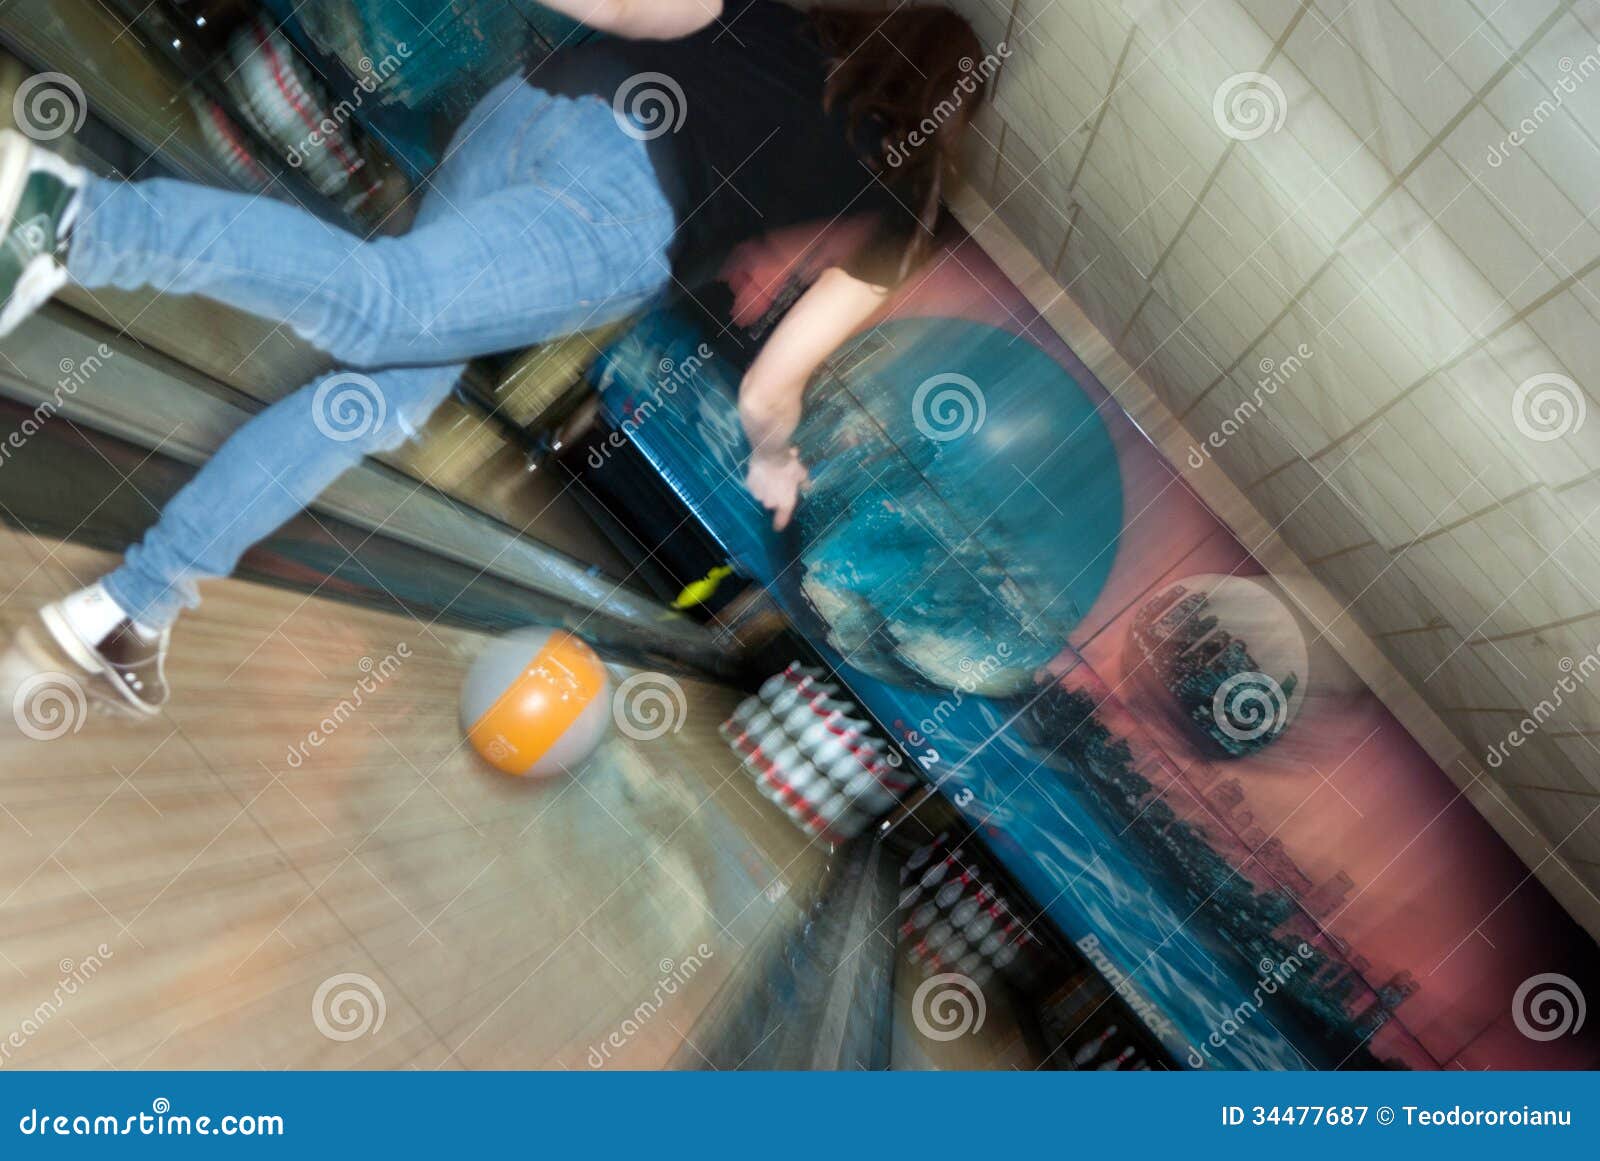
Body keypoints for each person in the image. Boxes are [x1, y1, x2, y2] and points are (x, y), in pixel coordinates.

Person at [0, 0, 986, 714]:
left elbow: (628, 9)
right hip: (612, 219)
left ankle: (132, 606)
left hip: (534, 111)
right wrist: (773, 458)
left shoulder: (778, 17)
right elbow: (774, 388)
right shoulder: (895, 213)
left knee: (380, 396)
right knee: (388, 311)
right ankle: (72, 220)